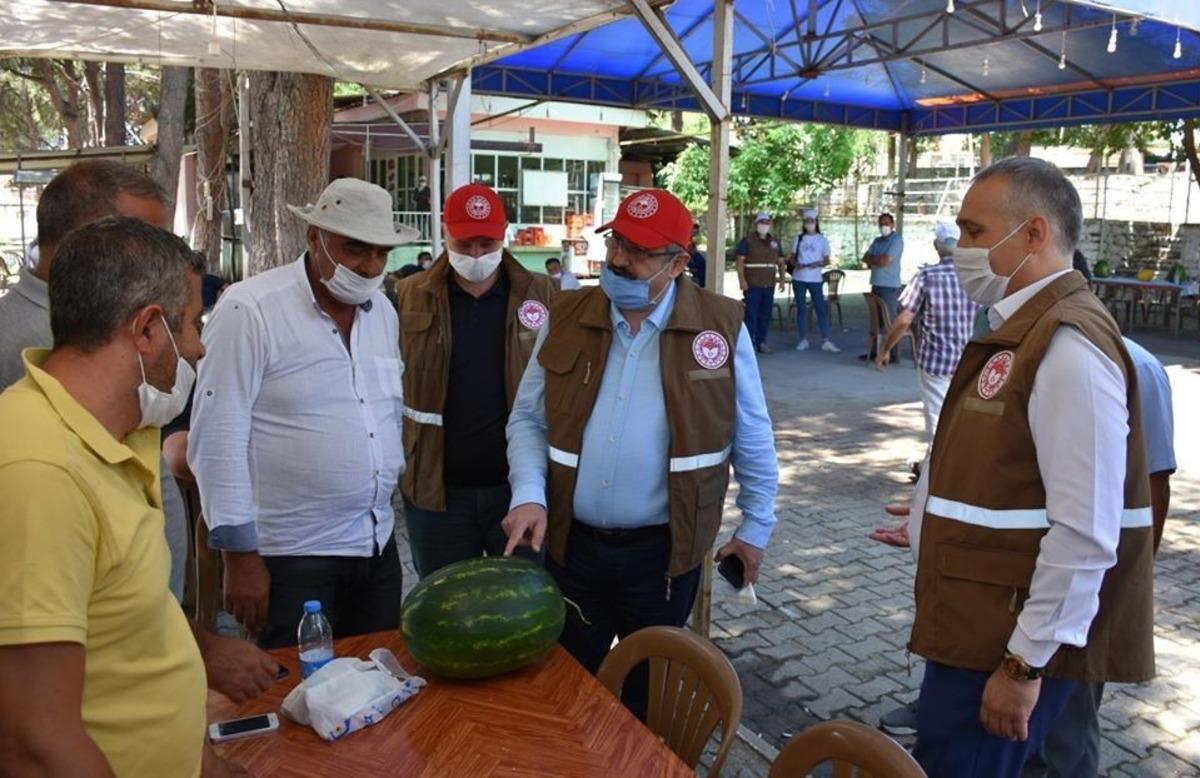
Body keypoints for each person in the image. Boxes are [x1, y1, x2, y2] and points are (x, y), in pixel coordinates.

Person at [907, 157, 1155, 777]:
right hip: (979, 621)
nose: (959, 248)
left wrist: (1024, 665)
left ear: (1034, 235)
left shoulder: (1068, 344)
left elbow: (1085, 529)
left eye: (973, 231)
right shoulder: (1026, 329)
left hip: (1007, 645)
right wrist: (926, 513)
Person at [0, 159, 275, 704]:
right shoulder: (36, 462)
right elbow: (38, 722)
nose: (197, 347)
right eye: (145, 237)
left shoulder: (120, 390)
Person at [501, 188, 779, 717]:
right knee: (566, 688)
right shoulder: (567, 314)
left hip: (663, 558)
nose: (621, 260)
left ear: (678, 263)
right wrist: (530, 494)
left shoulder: (719, 327)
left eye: (641, 251)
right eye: (618, 243)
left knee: (649, 698)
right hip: (571, 550)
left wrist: (755, 527)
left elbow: (753, 435)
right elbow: (528, 418)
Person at [190, 178, 414, 648]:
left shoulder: (383, 313)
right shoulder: (250, 309)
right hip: (289, 555)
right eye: (355, 249)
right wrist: (239, 556)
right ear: (314, 237)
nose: (370, 266)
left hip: (374, 545)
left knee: (374, 686)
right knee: (294, 693)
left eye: (381, 253)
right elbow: (218, 434)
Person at [1022, 254, 1177, 778]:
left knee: (1068, 722)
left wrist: (1122, 583)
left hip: (1088, 577)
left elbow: (1153, 488)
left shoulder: (1134, 367)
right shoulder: (1021, 354)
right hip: (1030, 579)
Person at [397, 183, 555, 579]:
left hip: (519, 493)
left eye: (487, 244)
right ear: (445, 232)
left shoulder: (543, 294)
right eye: (465, 243)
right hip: (437, 494)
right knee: (444, 611)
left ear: (504, 235)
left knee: (524, 606)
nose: (476, 255)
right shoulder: (408, 296)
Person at [875, 220, 978, 447]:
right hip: (969, 362)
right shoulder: (975, 278)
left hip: (936, 363)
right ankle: (930, 469)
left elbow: (903, 320)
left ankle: (938, 477)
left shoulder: (926, 277)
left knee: (940, 427)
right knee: (962, 421)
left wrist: (885, 350)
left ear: (935, 245)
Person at [735, 211, 787, 354]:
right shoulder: (747, 241)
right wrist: (742, 280)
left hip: (769, 284)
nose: (764, 225)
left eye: (767, 223)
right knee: (751, 314)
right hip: (752, 283)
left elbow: (781, 263)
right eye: (762, 222)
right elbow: (740, 261)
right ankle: (748, 343)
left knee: (765, 314)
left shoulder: (774, 243)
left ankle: (761, 341)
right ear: (756, 224)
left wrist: (782, 280)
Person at [789, 208, 840, 353]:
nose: (809, 224)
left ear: (816, 222)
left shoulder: (822, 240)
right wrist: (795, 263)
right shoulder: (798, 239)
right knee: (801, 309)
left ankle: (826, 339)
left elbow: (827, 259)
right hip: (799, 278)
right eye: (806, 221)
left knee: (820, 309)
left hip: (815, 279)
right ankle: (803, 339)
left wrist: (818, 263)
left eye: (811, 221)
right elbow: (791, 257)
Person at [861, 212, 904, 359]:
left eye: (886, 223)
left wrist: (875, 260)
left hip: (890, 286)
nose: (884, 226)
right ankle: (875, 352)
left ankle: (891, 354)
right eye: (881, 224)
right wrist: (876, 260)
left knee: (889, 321)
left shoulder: (897, 240)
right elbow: (865, 258)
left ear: (892, 225)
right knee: (876, 321)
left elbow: (884, 261)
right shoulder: (877, 241)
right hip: (876, 284)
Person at [687, 221, 707, 289]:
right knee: (700, 262)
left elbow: (693, 248)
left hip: (693, 255)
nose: (695, 232)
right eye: (694, 230)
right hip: (688, 257)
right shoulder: (685, 236)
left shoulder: (691, 238)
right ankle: (700, 281)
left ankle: (702, 281)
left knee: (703, 262)